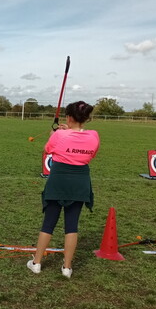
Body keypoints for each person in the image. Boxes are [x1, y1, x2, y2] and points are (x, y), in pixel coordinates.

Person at [27, 101, 99, 278]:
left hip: (58, 181)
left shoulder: (59, 135)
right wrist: (67, 131)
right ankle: (67, 268)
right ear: (86, 118)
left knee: (49, 223)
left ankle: (36, 263)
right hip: (80, 182)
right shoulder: (94, 136)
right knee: (72, 225)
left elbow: (47, 150)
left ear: (68, 117)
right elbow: (90, 152)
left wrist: (56, 134)